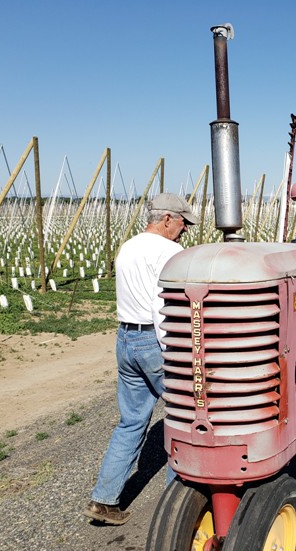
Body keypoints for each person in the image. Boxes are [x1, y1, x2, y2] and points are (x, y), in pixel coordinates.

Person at [82, 192, 199, 525]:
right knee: (185, 415)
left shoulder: (129, 247)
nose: (185, 230)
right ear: (166, 219)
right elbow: (163, 307)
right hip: (154, 341)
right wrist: (175, 351)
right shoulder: (170, 252)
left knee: (131, 421)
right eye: (182, 222)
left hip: (125, 338)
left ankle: (104, 499)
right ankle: (176, 511)